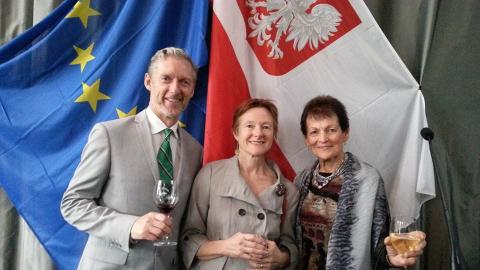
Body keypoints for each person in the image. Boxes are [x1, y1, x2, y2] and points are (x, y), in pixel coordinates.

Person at [61, 47, 203, 269]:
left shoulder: (196, 151)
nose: (175, 89)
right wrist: (130, 226)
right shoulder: (110, 135)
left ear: (192, 89)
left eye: (184, 82)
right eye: (166, 79)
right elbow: (73, 204)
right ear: (148, 82)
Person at [294, 95, 426, 269]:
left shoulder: (367, 180)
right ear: (307, 140)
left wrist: (391, 259)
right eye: (314, 132)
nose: (323, 138)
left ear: (345, 133)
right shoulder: (300, 180)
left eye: (331, 130)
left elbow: (380, 242)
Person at [181, 99, 299, 269]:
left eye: (266, 127)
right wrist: (226, 246)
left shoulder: (289, 190)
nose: (258, 133)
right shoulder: (210, 175)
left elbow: (291, 245)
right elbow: (188, 238)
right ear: (236, 132)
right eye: (250, 126)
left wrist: (281, 257)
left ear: (274, 134)